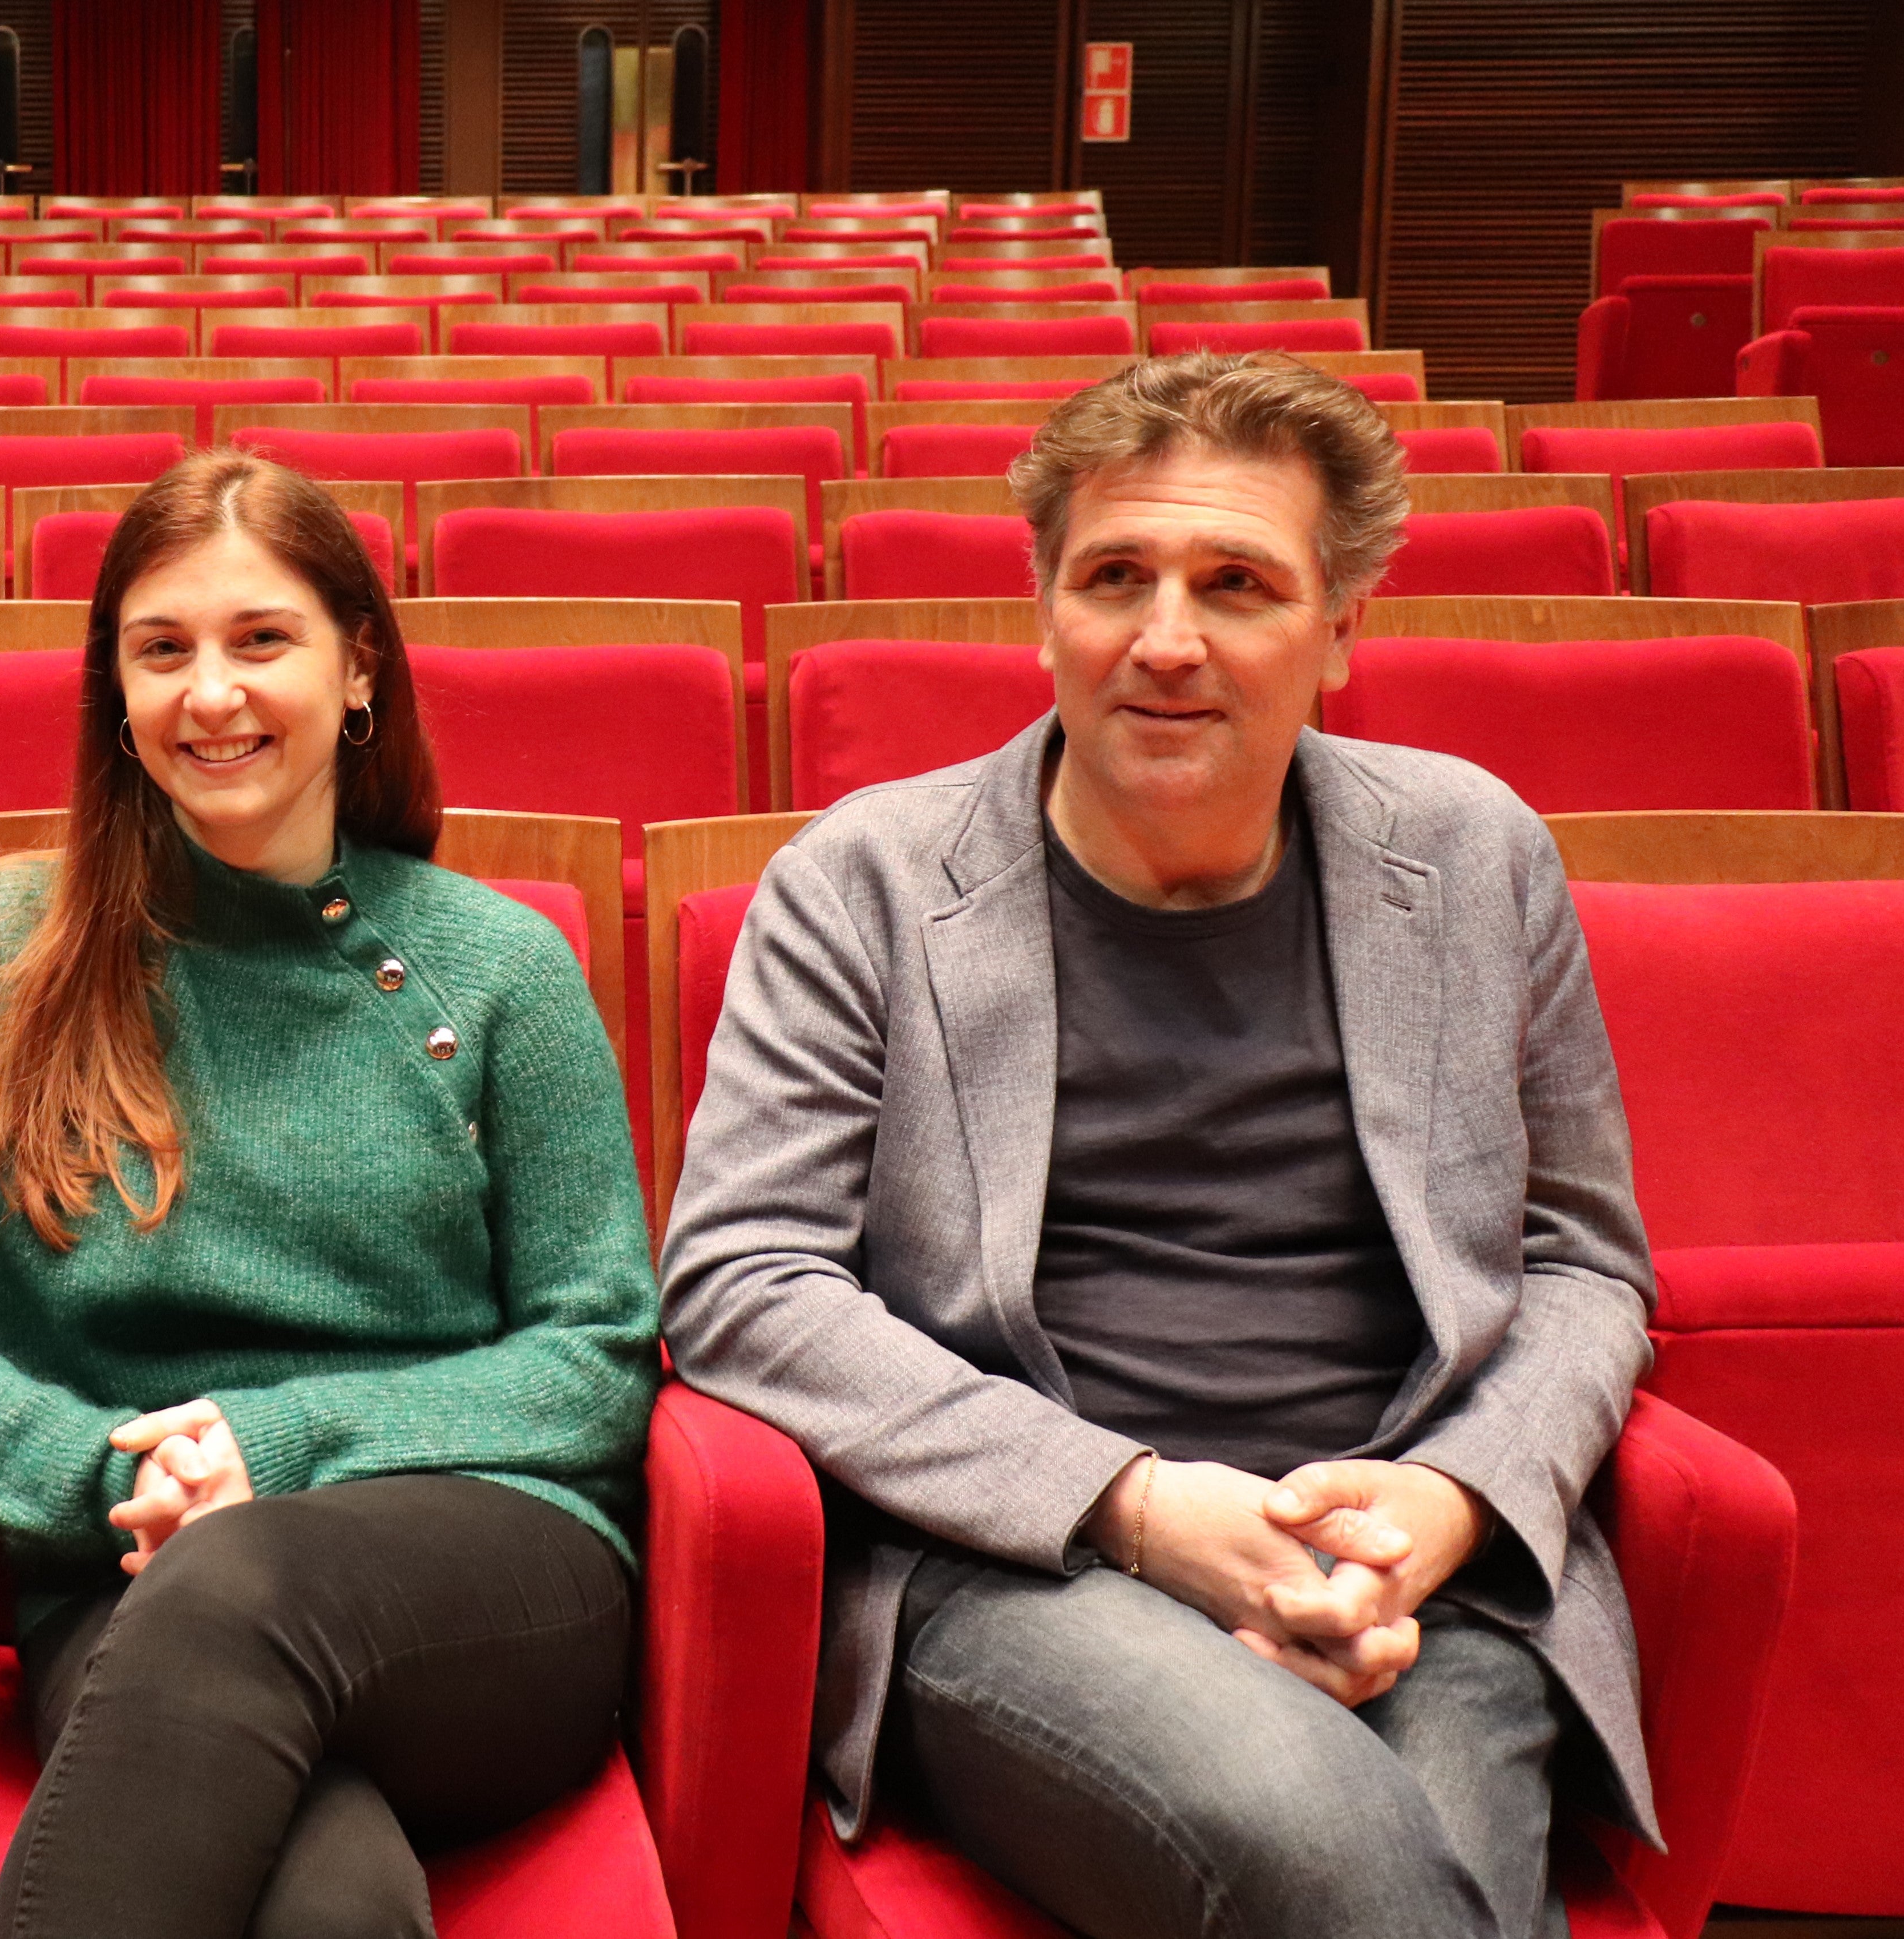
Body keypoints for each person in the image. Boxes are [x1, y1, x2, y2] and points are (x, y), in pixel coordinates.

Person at [658, 353, 1655, 1939]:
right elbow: (738, 1280)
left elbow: (1581, 1263)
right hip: (1031, 1566)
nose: (1167, 641)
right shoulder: (868, 881)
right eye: (1114, 576)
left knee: (1421, 1876)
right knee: (1334, 1856)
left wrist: (1450, 1505)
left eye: (1238, 584)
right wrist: (1140, 1508)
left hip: (1406, 1557)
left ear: (1338, 629)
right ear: (1045, 606)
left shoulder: (1474, 856)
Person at [0, 449, 659, 1939]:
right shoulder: (11, 939)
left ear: (357, 666)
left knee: (241, 1584)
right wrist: (104, 1472)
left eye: (263, 641)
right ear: (113, 695)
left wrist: (280, 1439)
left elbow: (599, 1353)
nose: (212, 695)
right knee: (340, 1908)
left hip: (484, 1569)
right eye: (162, 650)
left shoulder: (502, 966)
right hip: (136, 1572)